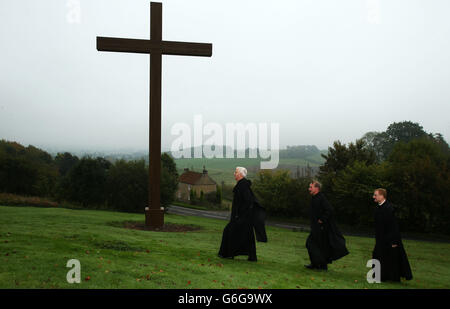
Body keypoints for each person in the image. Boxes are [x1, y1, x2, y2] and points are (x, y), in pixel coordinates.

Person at [218, 167, 267, 261]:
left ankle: (228, 254)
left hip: (242, 217)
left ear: (240, 174)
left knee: (229, 231)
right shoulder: (242, 185)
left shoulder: (243, 186)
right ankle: (252, 257)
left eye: (236, 172)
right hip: (243, 217)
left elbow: (249, 202)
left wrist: (240, 215)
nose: (234, 174)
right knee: (248, 236)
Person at [305, 181, 349, 270]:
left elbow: (329, 210)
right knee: (314, 245)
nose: (309, 189)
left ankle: (320, 265)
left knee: (313, 244)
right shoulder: (314, 198)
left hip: (321, 228)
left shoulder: (321, 198)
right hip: (316, 227)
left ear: (317, 188)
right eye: (309, 187)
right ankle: (316, 264)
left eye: (311, 187)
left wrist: (321, 220)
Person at [372, 188, 413, 282]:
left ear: (382, 196)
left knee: (392, 259)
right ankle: (379, 276)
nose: (373, 197)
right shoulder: (378, 208)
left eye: (375, 195)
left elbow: (393, 226)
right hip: (380, 239)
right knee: (378, 256)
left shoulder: (389, 208)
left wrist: (394, 241)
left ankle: (392, 278)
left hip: (389, 239)